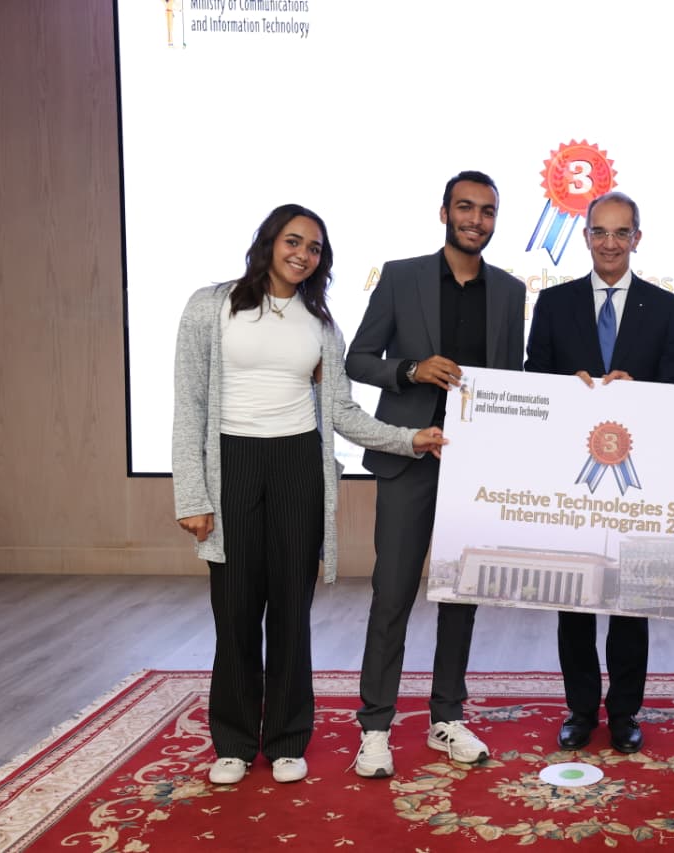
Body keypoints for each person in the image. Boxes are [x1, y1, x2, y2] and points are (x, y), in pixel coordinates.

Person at [172, 204, 444, 787]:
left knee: (291, 613)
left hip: (298, 465)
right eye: (293, 241)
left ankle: (287, 740)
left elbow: (341, 411)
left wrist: (410, 439)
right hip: (232, 464)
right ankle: (234, 743)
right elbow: (189, 405)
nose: (302, 254)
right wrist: (191, 496)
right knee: (235, 611)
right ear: (269, 242)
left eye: (315, 248)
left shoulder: (321, 326)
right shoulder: (210, 306)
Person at [346, 171, 526, 775]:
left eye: (488, 211)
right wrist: (412, 370)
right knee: (392, 593)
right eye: (465, 207)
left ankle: (447, 717)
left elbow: (513, 380)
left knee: (461, 596)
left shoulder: (510, 292)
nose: (476, 219)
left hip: (475, 468)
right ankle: (376, 726)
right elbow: (358, 359)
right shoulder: (401, 277)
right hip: (409, 457)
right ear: (444, 212)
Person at [525, 191, 674, 753]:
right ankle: (579, 710)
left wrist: (636, 394)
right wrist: (566, 392)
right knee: (573, 599)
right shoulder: (554, 303)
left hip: (636, 480)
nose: (610, 243)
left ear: (637, 238)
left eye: (622, 233)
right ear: (586, 236)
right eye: (600, 232)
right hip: (572, 479)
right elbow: (534, 381)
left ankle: (624, 713)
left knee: (630, 603)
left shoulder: (665, 307)